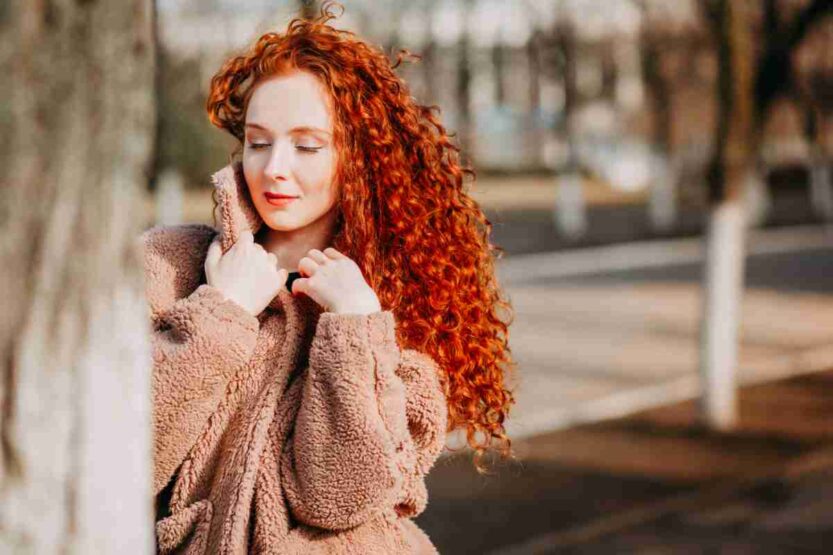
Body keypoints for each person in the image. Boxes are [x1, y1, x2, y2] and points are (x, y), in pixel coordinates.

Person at [143, 4, 514, 553]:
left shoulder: (400, 310)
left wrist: (355, 330)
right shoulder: (168, 265)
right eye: (258, 141)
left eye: (308, 145)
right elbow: (114, 458)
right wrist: (220, 314)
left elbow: (336, 498)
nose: (274, 169)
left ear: (359, 160)